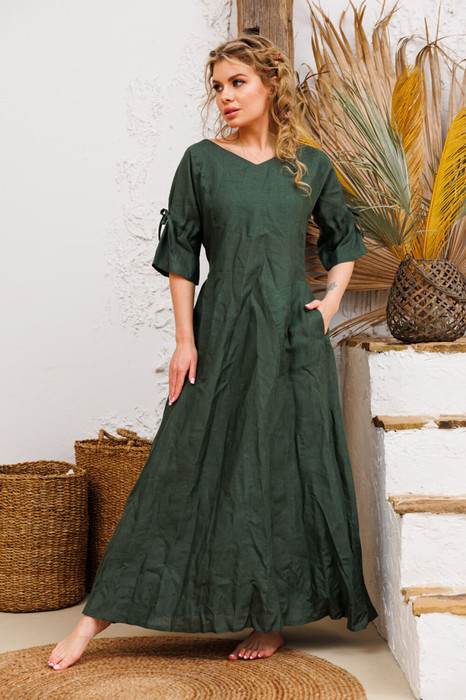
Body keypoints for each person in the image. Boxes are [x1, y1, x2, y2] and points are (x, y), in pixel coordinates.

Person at [48, 32, 377, 671]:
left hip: (291, 337)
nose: (225, 96)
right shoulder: (201, 161)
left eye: (237, 83)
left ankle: (269, 618)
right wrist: (184, 341)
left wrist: (331, 302)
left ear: (271, 86)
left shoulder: (309, 165)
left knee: (282, 469)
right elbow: (181, 257)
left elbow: (344, 240)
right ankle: (95, 620)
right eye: (218, 87)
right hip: (221, 332)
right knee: (180, 465)